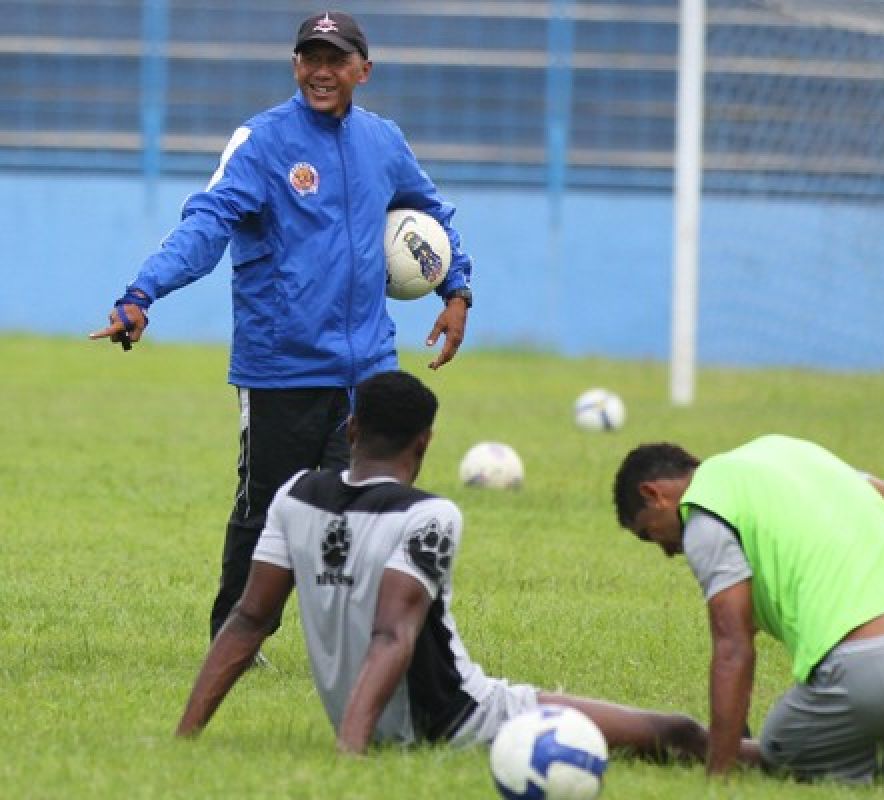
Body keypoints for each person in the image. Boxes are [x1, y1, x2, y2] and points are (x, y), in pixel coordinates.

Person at [89, 11, 476, 644]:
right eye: (309, 58)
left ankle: (363, 640)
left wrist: (456, 289)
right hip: (281, 365)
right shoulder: (263, 142)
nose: (321, 71)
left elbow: (428, 213)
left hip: (368, 367)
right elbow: (207, 222)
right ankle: (237, 633)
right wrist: (142, 293)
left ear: (363, 70)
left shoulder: (384, 142)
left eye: (335, 59)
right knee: (266, 509)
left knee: (365, 505)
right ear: (295, 65)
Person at [175, 370, 750, 766]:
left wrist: (186, 735)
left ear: (350, 431)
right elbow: (393, 634)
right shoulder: (430, 514)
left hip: (419, 716)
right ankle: (786, 758)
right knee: (673, 732)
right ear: (424, 443)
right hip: (466, 719)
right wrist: (350, 753)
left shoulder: (296, 495)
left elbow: (249, 620)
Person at [611, 435, 884, 787]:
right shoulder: (787, 451)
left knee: (781, 750)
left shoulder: (703, 517)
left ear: (656, 495)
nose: (668, 551)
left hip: (876, 669)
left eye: (651, 535)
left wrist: (718, 778)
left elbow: (732, 650)